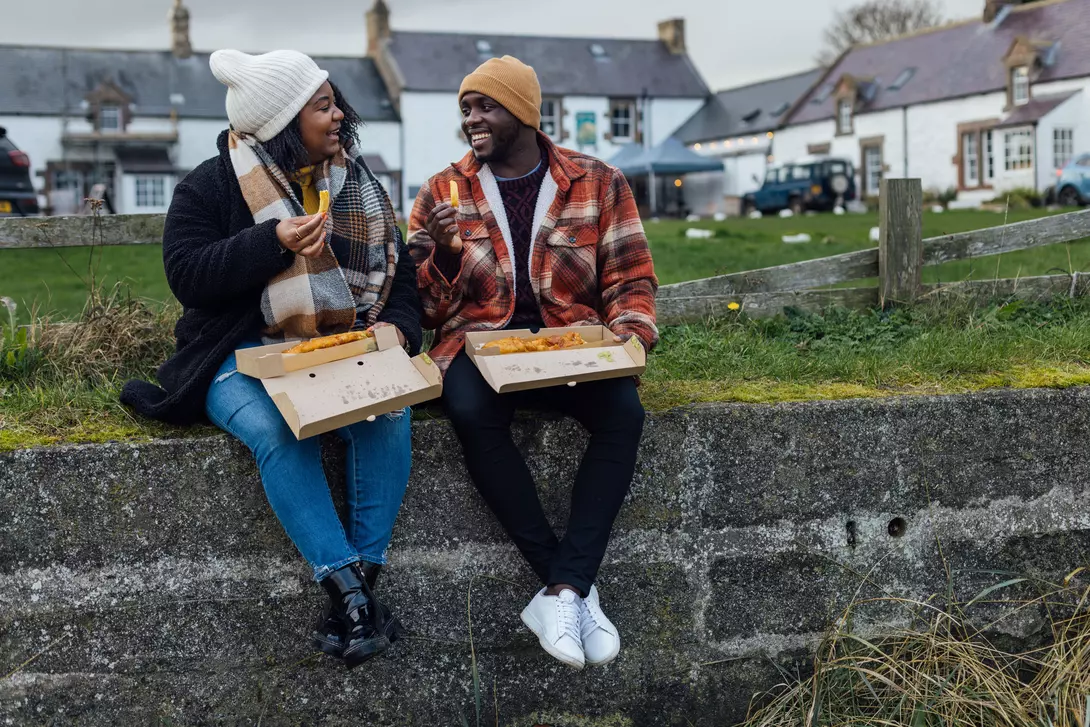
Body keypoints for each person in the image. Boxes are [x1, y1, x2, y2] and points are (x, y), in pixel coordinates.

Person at [121, 50, 422, 669]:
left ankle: (362, 586)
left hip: (341, 347)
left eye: (334, 101)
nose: (338, 115)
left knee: (389, 414)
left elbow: (405, 284)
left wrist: (395, 327)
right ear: (283, 121)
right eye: (322, 105)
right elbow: (188, 278)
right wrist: (271, 241)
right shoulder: (207, 185)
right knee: (279, 430)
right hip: (231, 353)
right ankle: (351, 595)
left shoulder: (358, 184)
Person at [407, 56, 658, 670]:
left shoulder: (598, 181)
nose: (473, 120)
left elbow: (631, 278)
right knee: (467, 408)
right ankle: (570, 587)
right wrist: (439, 254)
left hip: (568, 342)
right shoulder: (443, 190)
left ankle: (564, 591)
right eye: (466, 109)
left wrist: (627, 344)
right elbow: (426, 312)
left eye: (485, 107)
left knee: (623, 413)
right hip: (477, 343)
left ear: (521, 112)